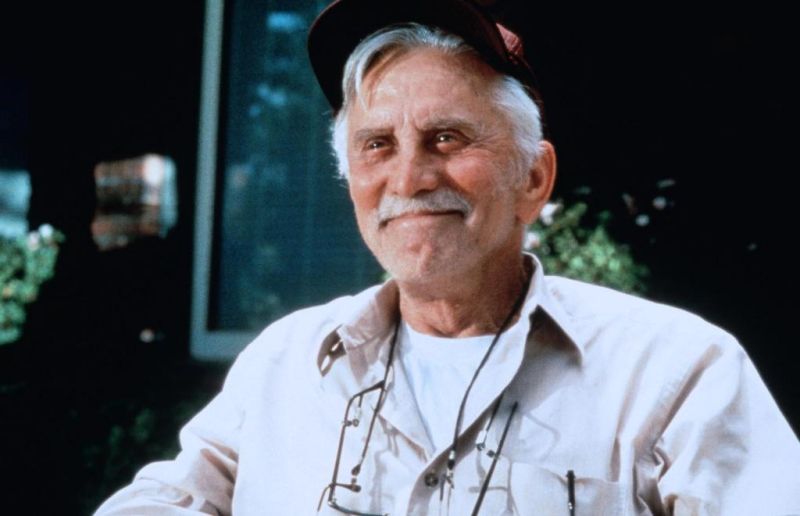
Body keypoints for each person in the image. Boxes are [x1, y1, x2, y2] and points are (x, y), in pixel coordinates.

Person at [96, 0, 800, 514]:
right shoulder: (285, 365)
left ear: (534, 178)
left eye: (447, 138)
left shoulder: (675, 372)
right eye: (377, 145)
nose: (408, 179)